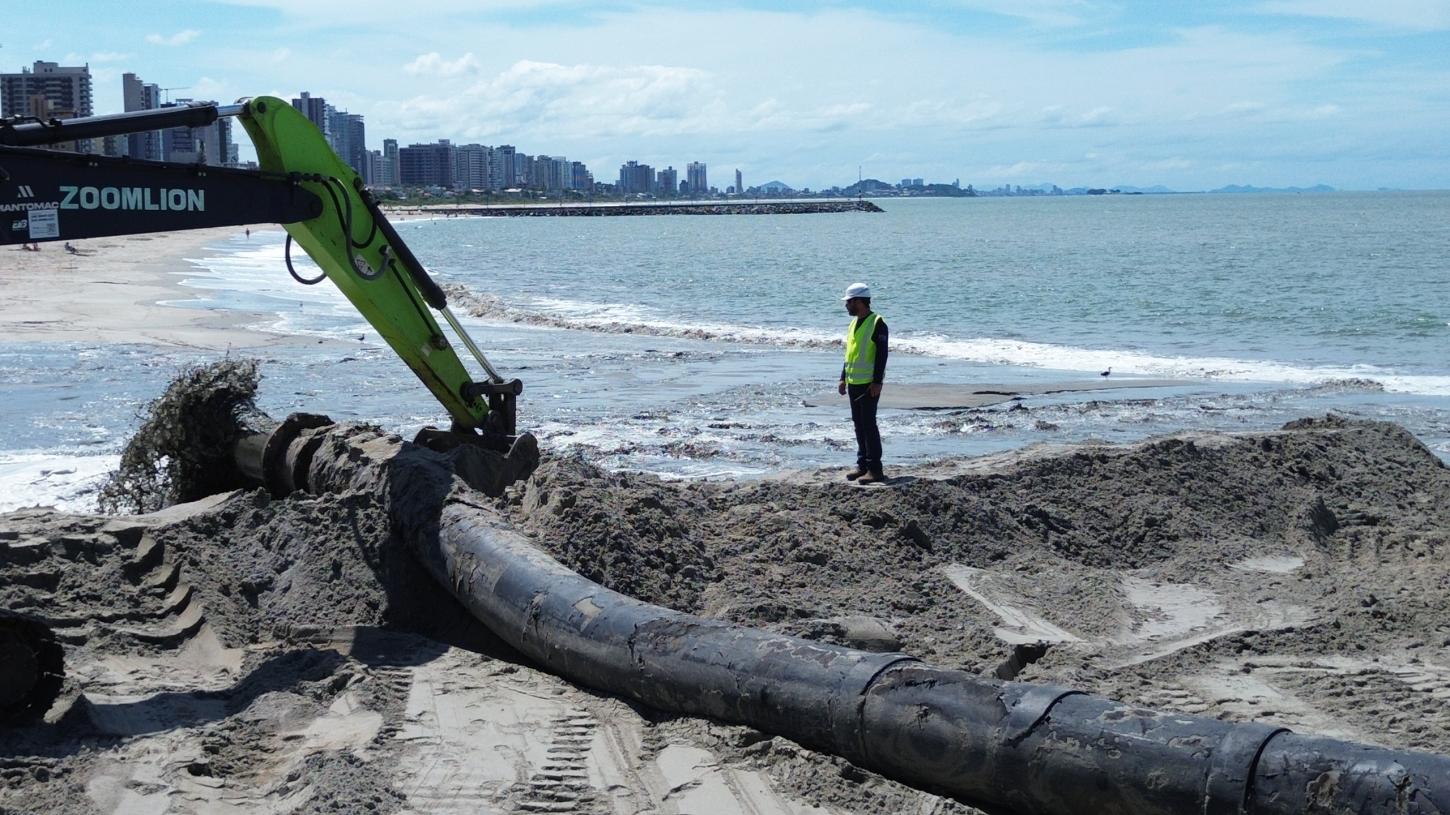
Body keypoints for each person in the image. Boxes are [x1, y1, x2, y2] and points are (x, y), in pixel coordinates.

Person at [837, 282, 888, 483]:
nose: (846, 306)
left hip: (869, 385)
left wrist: (877, 382)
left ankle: (875, 469)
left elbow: (882, 355)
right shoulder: (853, 324)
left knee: (869, 424)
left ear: (859, 301)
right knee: (859, 425)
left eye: (849, 302)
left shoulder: (877, 323)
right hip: (854, 382)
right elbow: (850, 354)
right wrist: (843, 377)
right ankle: (862, 465)